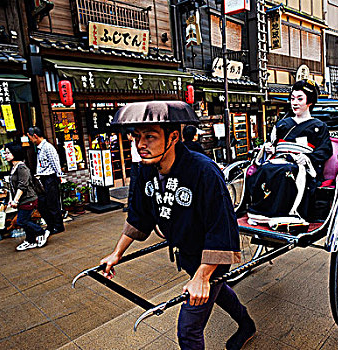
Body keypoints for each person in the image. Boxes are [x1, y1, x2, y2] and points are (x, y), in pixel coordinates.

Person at [100, 101, 256, 350]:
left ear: (173, 136)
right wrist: (117, 253)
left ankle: (241, 319)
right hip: (186, 250)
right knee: (218, 291)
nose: (141, 145)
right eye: (137, 137)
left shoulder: (204, 170)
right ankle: (246, 324)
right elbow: (139, 214)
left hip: (211, 253)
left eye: (150, 137)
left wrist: (203, 276)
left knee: (188, 329)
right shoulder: (143, 170)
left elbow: (220, 227)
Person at [246, 79, 332, 225]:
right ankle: (260, 211)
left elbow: (325, 150)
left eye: (300, 99)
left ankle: (286, 213)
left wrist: (306, 158)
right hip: (279, 159)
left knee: (288, 171)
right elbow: (273, 143)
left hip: (300, 164)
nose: (295, 103)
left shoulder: (319, 126)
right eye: (292, 98)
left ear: (309, 102)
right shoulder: (282, 124)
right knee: (264, 169)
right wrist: (270, 148)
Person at [2, 143, 50, 251]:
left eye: (8, 153)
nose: (5, 155)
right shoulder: (14, 167)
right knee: (25, 220)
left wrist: (15, 200)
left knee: (21, 221)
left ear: (15, 153)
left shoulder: (21, 167)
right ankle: (30, 240)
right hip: (22, 200)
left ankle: (41, 232)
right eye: (5, 153)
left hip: (28, 199)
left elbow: (22, 186)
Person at [27, 127, 65, 234]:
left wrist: (59, 176)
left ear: (35, 136)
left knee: (53, 203)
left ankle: (58, 226)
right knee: (45, 203)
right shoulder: (40, 148)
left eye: (30, 137)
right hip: (44, 178)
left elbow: (55, 162)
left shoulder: (48, 147)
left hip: (51, 178)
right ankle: (52, 225)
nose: (30, 140)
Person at [124, 128, 141, 212]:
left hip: (139, 164)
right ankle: (130, 206)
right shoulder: (132, 142)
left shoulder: (138, 142)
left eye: (127, 135)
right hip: (134, 164)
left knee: (135, 186)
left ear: (130, 134)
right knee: (132, 186)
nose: (127, 137)